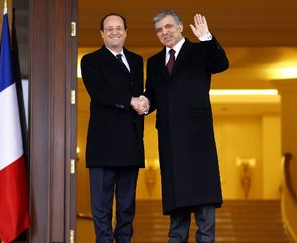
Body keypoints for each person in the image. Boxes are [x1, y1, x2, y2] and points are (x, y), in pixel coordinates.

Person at [144, 9, 229, 243]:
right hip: (170, 138)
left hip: (197, 137)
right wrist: (145, 102)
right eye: (159, 30)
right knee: (176, 200)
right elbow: (153, 94)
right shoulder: (153, 62)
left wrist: (206, 37)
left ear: (180, 27)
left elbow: (221, 64)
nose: (165, 33)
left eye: (169, 27)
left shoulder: (200, 51)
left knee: (203, 197)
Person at [80, 13, 149, 243]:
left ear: (126, 32)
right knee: (101, 207)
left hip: (131, 144)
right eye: (109, 29)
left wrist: (145, 102)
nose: (114, 32)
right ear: (102, 34)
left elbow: (141, 93)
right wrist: (130, 100)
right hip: (104, 146)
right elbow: (99, 93)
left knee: (127, 207)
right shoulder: (90, 61)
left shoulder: (137, 60)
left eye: (119, 27)